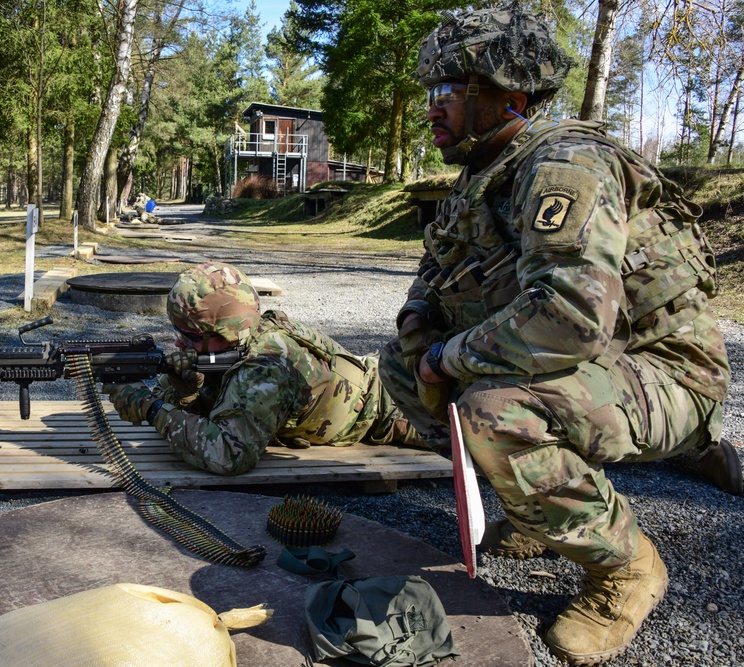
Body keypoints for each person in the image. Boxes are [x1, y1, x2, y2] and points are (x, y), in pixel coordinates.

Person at [378, 4, 740, 665]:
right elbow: (433, 281)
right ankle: (539, 511)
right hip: (598, 363)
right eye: (432, 91)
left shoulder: (563, 165)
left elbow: (570, 315)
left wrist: (446, 358)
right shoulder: (479, 175)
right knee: (401, 370)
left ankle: (626, 569)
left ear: (508, 95)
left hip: (665, 367)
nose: (434, 106)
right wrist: (417, 338)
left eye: (451, 90)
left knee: (492, 413)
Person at [102, 261, 424, 476]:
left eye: (189, 336)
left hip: (397, 408)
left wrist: (153, 409)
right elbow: (219, 409)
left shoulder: (264, 369)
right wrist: (186, 391)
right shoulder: (239, 344)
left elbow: (228, 453)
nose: (179, 344)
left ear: (223, 334)